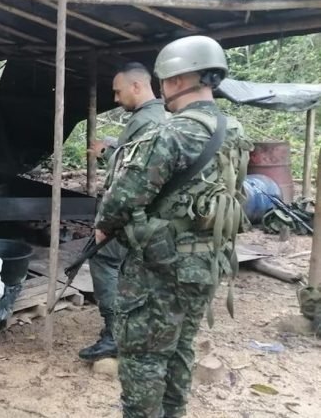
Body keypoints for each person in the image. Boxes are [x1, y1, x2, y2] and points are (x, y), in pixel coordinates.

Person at [94, 36, 252, 418]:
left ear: (179, 80)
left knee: (144, 357)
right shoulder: (233, 131)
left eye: (164, 80)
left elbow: (124, 198)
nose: (162, 88)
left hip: (161, 267)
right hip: (207, 262)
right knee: (181, 346)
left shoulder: (172, 133)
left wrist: (103, 229)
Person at [79, 62, 168, 362]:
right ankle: (133, 329)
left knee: (103, 258)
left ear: (136, 86)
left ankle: (114, 334)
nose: (115, 99)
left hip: (132, 212)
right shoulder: (152, 117)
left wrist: (108, 220)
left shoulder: (148, 121)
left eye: (118, 92)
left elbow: (134, 172)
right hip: (144, 214)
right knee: (131, 270)